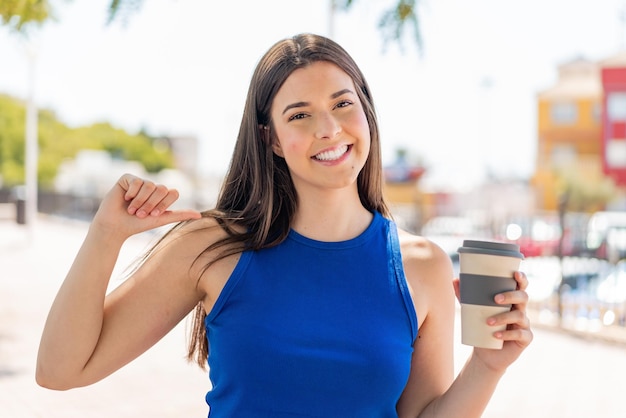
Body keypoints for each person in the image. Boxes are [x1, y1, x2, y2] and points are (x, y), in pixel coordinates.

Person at [36, 33, 533, 417]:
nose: (328, 129)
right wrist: (105, 235)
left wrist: (488, 366)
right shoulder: (210, 248)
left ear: (367, 115)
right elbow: (60, 371)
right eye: (300, 115)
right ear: (271, 139)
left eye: (343, 104)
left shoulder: (423, 268)